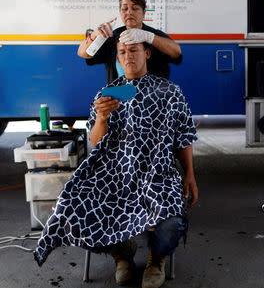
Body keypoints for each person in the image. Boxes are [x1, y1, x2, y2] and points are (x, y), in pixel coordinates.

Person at [35, 38, 198, 288]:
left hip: (158, 175)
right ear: (118, 60)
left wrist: (189, 174)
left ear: (147, 53)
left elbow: (184, 136)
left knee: (172, 220)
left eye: (133, 50)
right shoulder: (107, 94)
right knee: (73, 209)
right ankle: (122, 253)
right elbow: (95, 141)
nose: (128, 55)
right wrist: (101, 118)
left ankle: (156, 259)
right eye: (122, 52)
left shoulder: (170, 93)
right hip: (114, 175)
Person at [77, 0, 182, 84]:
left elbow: (177, 53)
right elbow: (83, 54)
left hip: (154, 97)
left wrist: (149, 37)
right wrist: (95, 35)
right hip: (120, 97)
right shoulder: (112, 36)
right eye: (125, 8)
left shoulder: (154, 35)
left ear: (144, 13)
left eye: (135, 8)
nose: (129, 12)